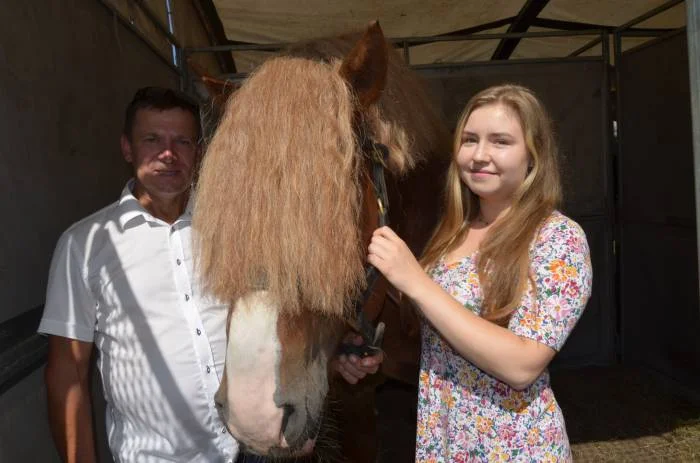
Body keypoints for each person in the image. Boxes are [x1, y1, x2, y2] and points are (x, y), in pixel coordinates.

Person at [366, 84, 593, 461]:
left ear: (533, 156)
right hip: (444, 443)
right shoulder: (452, 232)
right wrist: (372, 359)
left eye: (500, 142)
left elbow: (523, 366)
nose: (480, 155)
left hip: (513, 447)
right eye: (470, 140)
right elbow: (441, 341)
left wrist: (417, 282)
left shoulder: (557, 238)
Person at [39, 87, 239, 462]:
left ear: (198, 152)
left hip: (246, 451)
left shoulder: (229, 232)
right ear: (127, 148)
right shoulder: (86, 245)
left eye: (182, 141)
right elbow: (67, 375)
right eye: (152, 139)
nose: (169, 153)